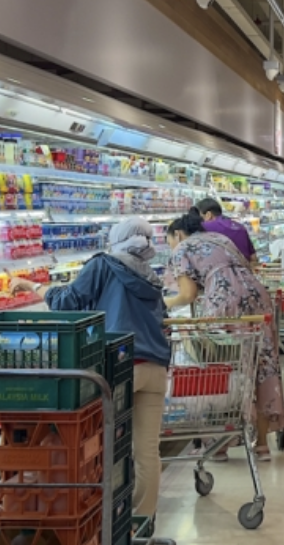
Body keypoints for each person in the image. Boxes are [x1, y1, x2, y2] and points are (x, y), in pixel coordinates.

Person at [11, 218, 169, 522]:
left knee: (103, 446)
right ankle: (142, 521)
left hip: (120, 366)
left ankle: (106, 521)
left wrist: (32, 286)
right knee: (147, 451)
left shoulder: (103, 264)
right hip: (155, 368)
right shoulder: (150, 274)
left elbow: (67, 302)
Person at [164, 210, 284, 459]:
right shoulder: (221, 239)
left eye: (170, 242)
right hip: (258, 298)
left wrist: (164, 304)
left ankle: (219, 444)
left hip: (225, 303)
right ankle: (262, 445)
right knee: (262, 366)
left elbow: (187, 294)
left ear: (178, 234)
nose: (171, 247)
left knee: (223, 370)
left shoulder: (183, 248)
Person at [196, 197, 258, 265]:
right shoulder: (240, 227)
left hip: (221, 269)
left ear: (208, 215)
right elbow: (253, 258)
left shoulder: (205, 226)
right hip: (244, 269)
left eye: (200, 217)